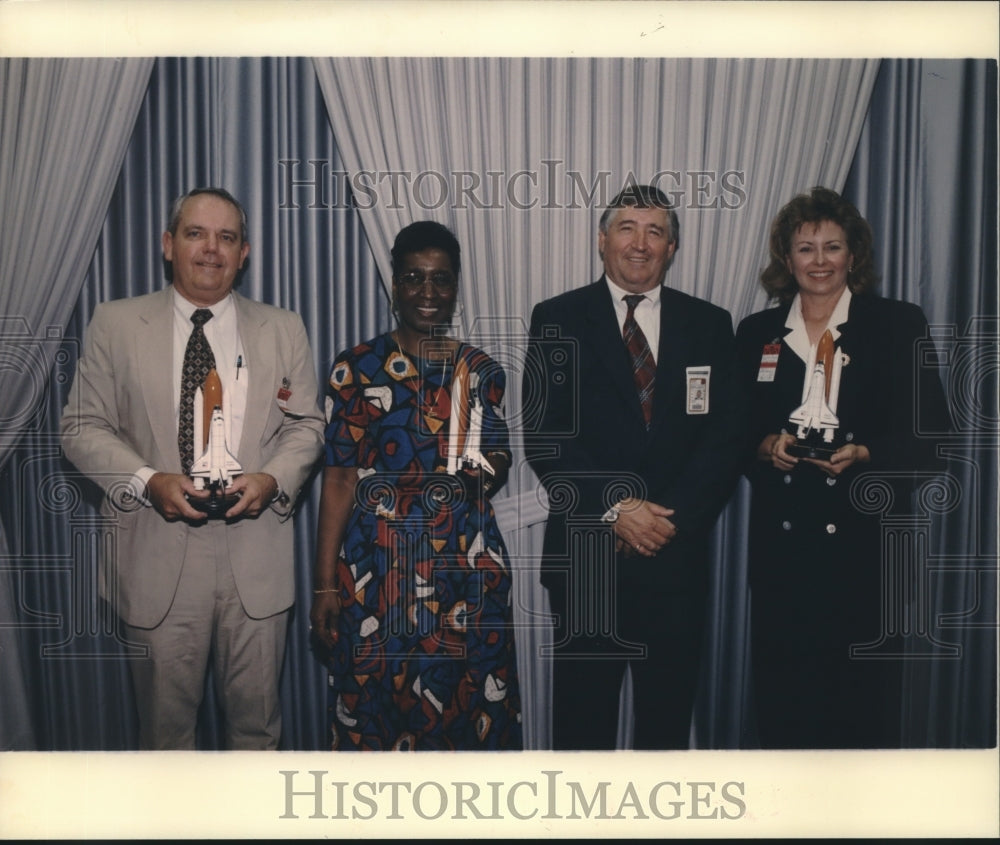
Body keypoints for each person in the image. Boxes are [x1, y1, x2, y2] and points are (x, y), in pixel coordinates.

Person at [60, 187, 325, 749]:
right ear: (167, 244)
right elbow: (80, 427)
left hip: (254, 562)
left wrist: (271, 478)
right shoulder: (116, 324)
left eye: (226, 237)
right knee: (166, 741)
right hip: (157, 559)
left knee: (257, 734)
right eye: (196, 234)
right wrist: (148, 482)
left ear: (245, 252)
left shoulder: (284, 328)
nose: (211, 249)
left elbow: (307, 426)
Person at [524, 184, 743, 750]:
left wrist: (667, 521)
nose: (640, 244)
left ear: (673, 248)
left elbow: (724, 439)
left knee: (665, 729)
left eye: (656, 232)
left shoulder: (711, 325)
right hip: (588, 565)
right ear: (602, 240)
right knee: (582, 730)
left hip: (675, 559)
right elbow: (547, 438)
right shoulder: (557, 318)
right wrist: (617, 508)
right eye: (627, 228)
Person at [735, 186, 951, 748]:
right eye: (806, 248)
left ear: (854, 254)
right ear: (787, 258)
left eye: (833, 247)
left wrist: (866, 454)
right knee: (784, 715)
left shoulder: (897, 325)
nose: (820, 261)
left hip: (865, 558)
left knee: (861, 719)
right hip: (783, 559)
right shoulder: (756, 334)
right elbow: (729, 437)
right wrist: (765, 446)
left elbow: (935, 440)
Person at [310, 220, 522, 751]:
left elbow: (497, 460)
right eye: (414, 278)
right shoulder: (354, 369)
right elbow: (336, 479)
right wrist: (323, 585)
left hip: (463, 563)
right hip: (376, 567)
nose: (428, 293)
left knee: (464, 708)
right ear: (395, 284)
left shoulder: (480, 371)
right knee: (374, 710)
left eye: (441, 280)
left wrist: (484, 467)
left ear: (455, 287)